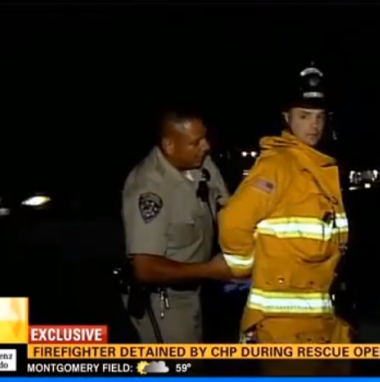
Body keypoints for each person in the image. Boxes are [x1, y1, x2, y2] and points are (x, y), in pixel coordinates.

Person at [217, 65, 353, 375]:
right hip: (285, 328)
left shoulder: (320, 167)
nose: (314, 125)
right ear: (286, 118)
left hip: (324, 322)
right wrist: (244, 268)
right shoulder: (278, 165)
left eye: (319, 116)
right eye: (304, 115)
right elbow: (233, 223)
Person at [121, 109, 233, 344]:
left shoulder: (201, 164)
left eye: (204, 138)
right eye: (196, 142)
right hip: (165, 304)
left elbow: (228, 206)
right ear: (170, 146)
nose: (206, 146)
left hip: (198, 293)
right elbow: (146, 268)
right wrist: (211, 271)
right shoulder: (149, 189)